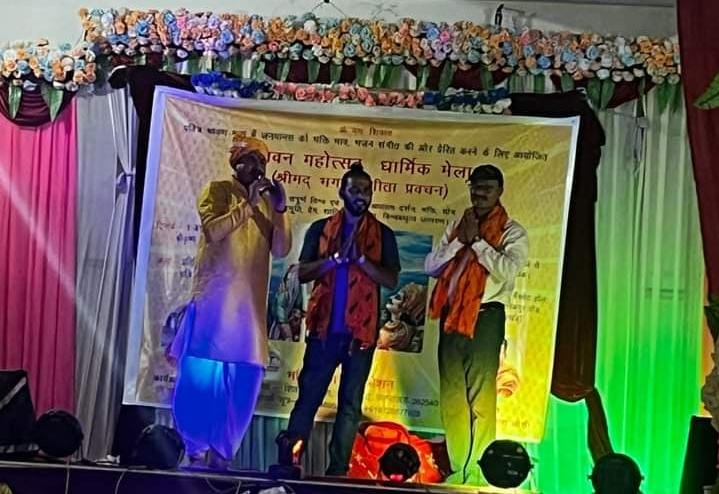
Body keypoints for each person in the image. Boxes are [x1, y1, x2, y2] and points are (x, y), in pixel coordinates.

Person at [170, 136, 292, 468]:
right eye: (251, 159)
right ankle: (194, 452)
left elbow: (281, 250)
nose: (258, 167)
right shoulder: (218, 190)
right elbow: (213, 231)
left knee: (244, 386)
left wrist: (280, 208)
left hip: (248, 313)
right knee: (198, 384)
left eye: (262, 161)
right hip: (214, 307)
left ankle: (223, 456)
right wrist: (248, 205)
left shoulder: (268, 203)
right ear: (235, 162)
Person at [279, 163, 401, 476]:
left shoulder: (383, 235)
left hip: (360, 336)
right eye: (355, 190)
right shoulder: (321, 229)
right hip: (324, 332)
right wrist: (334, 260)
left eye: (366, 190)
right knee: (308, 400)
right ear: (342, 192)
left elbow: (390, 279)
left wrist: (361, 259)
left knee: (350, 406)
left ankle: (338, 473)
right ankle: (289, 465)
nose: (362, 196)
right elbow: (303, 273)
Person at [424, 164, 528, 485]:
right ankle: (459, 470)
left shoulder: (512, 231)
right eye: (475, 187)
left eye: (487, 188)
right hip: (452, 317)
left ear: (499, 192)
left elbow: (509, 270)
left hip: (485, 318)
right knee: (453, 398)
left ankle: (479, 474)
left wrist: (479, 242)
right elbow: (431, 266)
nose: (480, 193)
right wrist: (460, 242)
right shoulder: (458, 225)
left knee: (481, 398)